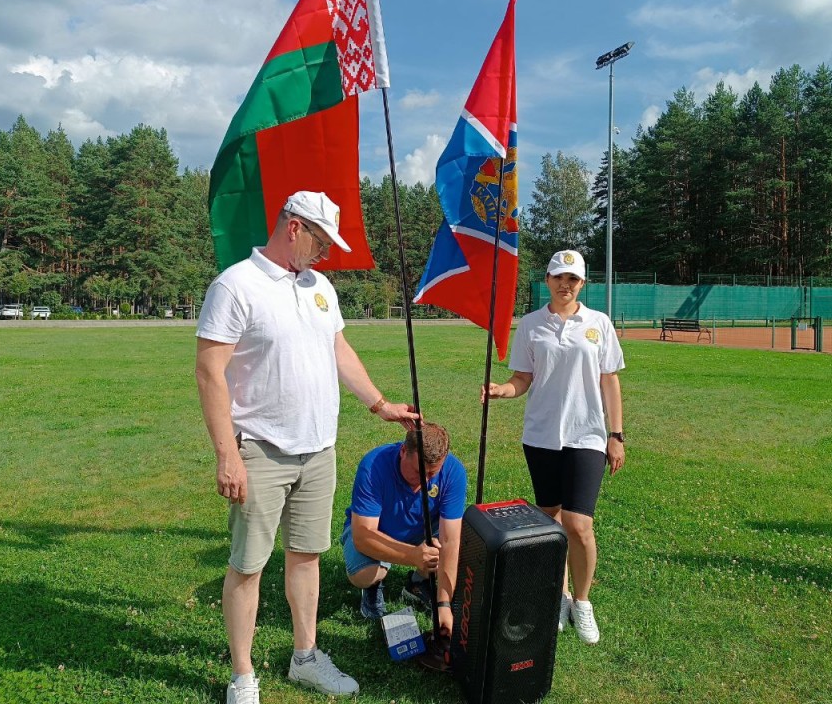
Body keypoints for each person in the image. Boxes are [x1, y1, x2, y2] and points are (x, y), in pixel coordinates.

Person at [195, 190, 418, 704]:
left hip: (319, 450)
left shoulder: (320, 287)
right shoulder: (235, 285)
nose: (326, 253)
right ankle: (243, 676)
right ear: (294, 227)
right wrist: (227, 454)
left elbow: (339, 349)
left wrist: (380, 404)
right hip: (260, 450)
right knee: (248, 565)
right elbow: (209, 372)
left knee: (306, 557)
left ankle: (306, 657)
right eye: (321, 241)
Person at [484, 249, 625, 646]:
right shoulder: (531, 324)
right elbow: (523, 378)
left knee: (579, 525)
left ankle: (583, 601)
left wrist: (616, 434)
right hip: (542, 436)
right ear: (547, 279)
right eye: (559, 277)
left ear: (583, 283)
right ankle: (559, 595)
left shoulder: (598, 323)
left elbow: (610, 380)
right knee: (550, 520)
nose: (565, 284)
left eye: (573, 279)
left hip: (587, 435)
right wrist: (503, 390)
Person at [340, 422, 467, 637]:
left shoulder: (454, 472)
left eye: (432, 474)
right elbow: (362, 535)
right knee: (365, 573)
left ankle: (418, 583)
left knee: (464, 555)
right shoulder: (373, 465)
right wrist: (413, 556)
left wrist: (444, 604)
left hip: (424, 533)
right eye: (418, 471)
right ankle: (373, 585)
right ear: (403, 451)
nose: (424, 481)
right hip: (376, 532)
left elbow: (450, 540)